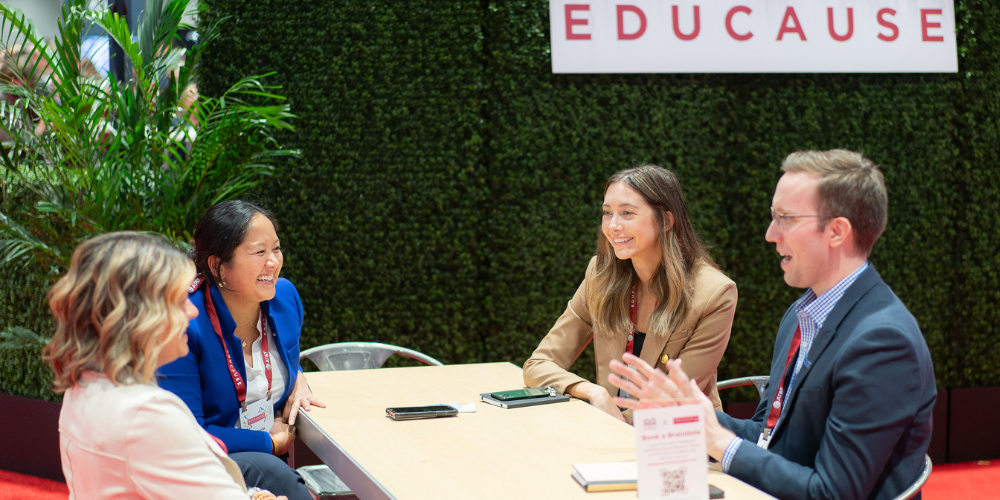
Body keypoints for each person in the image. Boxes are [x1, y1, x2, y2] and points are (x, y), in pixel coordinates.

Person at [610, 150, 936, 500]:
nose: (770, 234)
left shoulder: (883, 343)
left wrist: (721, 443)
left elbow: (833, 493)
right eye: (772, 216)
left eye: (786, 218)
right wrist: (693, 418)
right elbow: (771, 437)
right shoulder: (801, 314)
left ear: (837, 231)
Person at [42, 231, 285, 499]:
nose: (192, 311)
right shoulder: (147, 414)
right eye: (180, 300)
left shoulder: (84, 386)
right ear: (140, 315)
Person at [523, 164, 738, 424]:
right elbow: (539, 365)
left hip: (683, 441)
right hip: (611, 432)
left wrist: (609, 424)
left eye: (627, 213)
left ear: (666, 220)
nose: (613, 226)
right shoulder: (600, 274)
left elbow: (669, 402)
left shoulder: (715, 293)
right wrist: (592, 391)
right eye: (607, 213)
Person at [158, 200, 323, 500]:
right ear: (218, 266)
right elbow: (188, 435)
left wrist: (299, 379)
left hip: (269, 469)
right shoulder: (182, 325)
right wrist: (270, 443)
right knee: (276, 475)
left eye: (276, 249)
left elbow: (287, 359)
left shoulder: (285, 298)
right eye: (259, 252)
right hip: (203, 468)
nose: (273, 262)